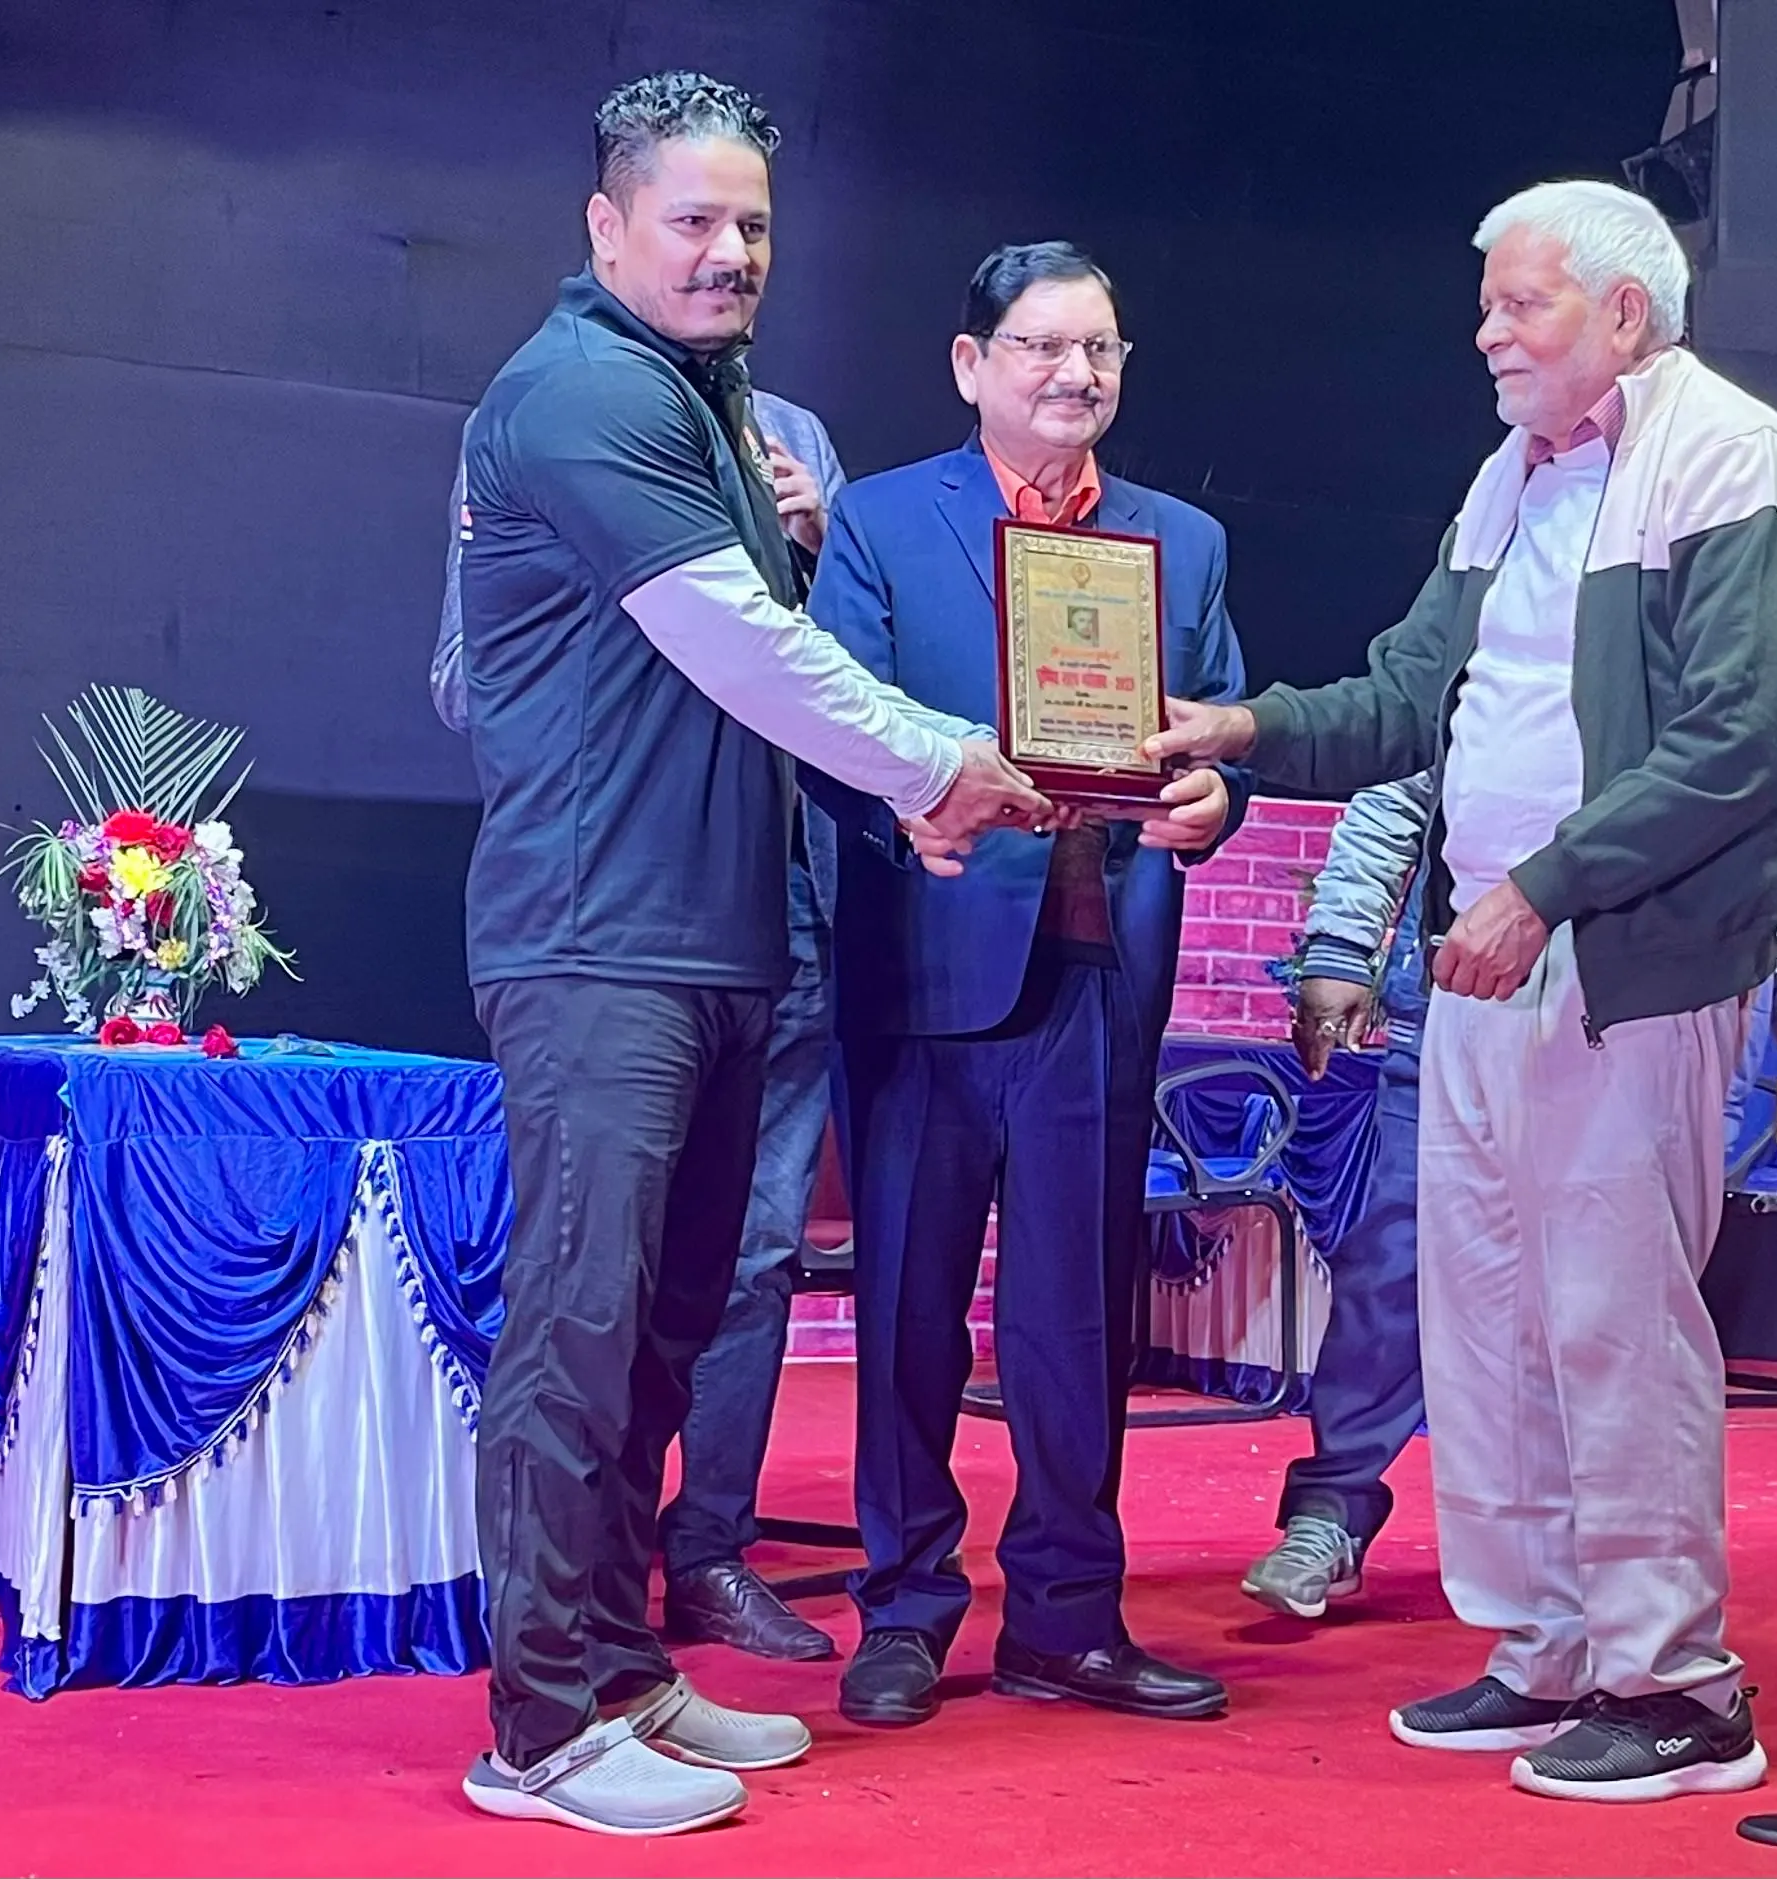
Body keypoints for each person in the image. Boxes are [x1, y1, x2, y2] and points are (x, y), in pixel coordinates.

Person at [1146, 180, 1777, 1802]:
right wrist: (1249, 728)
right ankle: (1544, 1645)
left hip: (1627, 969)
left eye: (1520, 303)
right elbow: (1412, 692)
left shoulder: (1734, 457)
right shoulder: (1507, 475)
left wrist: (1542, 889)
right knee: (1489, 1319)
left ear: (1622, 310)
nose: (1486, 334)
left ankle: (1676, 1684)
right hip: (1479, 960)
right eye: (1486, 306)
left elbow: (1736, 745)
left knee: (1612, 1320)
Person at [456, 72, 1047, 1838]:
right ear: (606, 226)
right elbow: (737, 643)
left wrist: (892, 800)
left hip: (716, 940)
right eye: (693, 219)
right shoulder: (581, 391)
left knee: (665, 1331)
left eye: (754, 224)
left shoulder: (705, 402)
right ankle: (537, 1724)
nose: (729, 251)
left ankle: (620, 1664)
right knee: (578, 1331)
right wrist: (937, 763)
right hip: (597, 939)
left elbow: (764, 685)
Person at [806, 241, 1251, 1730]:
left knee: (1074, 1320)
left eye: (1099, 349)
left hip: (1094, 970)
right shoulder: (880, 522)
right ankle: (904, 1606)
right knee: (908, 1313)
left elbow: (1215, 736)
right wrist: (911, 809)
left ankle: (1067, 1614)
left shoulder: (1179, 541)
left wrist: (1213, 805)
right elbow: (830, 730)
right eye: (1042, 346)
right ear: (969, 364)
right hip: (927, 961)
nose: (1075, 374)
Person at [1242, 688, 1777, 1622]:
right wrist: (1338, 947)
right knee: (1395, 1266)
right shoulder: (1495, 614)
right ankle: (1332, 1507)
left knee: (1619, 1303)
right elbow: (1399, 786)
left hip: (1648, 1013)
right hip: (1466, 990)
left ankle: (1597, 1567)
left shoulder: (1748, 659)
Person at [432, 391, 853, 1664]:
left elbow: (850, 679)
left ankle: (703, 1556)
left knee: (749, 1253)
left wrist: (816, 557)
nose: (722, 280)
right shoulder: (559, 420)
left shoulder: (794, 436)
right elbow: (465, 680)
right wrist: (667, 626)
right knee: (590, 1276)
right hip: (619, 913)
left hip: (780, 904)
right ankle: (552, 1663)